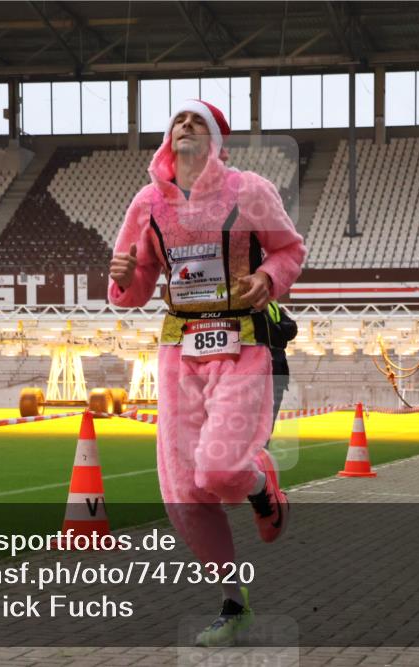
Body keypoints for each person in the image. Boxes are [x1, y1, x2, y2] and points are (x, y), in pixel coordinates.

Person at [108, 100, 306, 647]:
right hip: (178, 350)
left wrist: (268, 276)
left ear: (219, 141)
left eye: (199, 121)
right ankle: (232, 602)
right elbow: (136, 285)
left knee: (219, 470)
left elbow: (291, 250)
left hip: (241, 343)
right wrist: (123, 278)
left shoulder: (250, 192)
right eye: (178, 121)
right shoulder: (147, 204)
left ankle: (261, 482)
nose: (186, 126)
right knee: (181, 493)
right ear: (167, 141)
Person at [266, 300, 297, 430]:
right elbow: (289, 329)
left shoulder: (270, 303)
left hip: (275, 365)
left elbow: (290, 329)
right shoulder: (270, 303)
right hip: (272, 364)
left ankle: (261, 447)